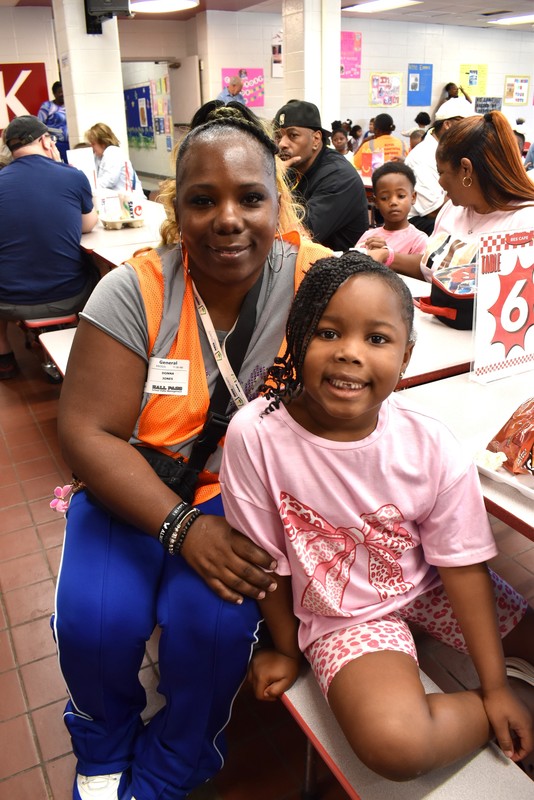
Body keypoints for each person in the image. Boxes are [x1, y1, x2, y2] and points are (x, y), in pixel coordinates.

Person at [54, 100, 331, 800]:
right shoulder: (136, 290)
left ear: (278, 203)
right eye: (204, 201)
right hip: (133, 487)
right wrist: (181, 528)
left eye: (250, 197)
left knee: (210, 630)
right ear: (181, 209)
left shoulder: (311, 286)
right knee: (94, 621)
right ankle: (104, 740)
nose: (229, 219)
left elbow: (384, 323)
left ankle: (180, 757)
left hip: (234, 495)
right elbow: (87, 431)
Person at [220, 251, 534, 782]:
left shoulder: (427, 441)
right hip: (347, 617)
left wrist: (495, 680)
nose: (349, 354)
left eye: (377, 339)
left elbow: (461, 568)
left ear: (406, 356)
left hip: (432, 585)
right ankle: (502, 711)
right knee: (396, 746)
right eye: (327, 332)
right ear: (296, 339)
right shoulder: (256, 435)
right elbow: (265, 560)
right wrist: (285, 649)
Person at [0, 115, 97, 380]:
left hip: (6, 302)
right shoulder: (72, 176)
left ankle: (4, 355)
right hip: (67, 295)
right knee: (94, 270)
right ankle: (83, 347)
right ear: (45, 141)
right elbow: (87, 225)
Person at [420, 110, 534, 283]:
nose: (440, 182)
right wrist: (389, 257)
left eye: (441, 172)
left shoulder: (524, 222)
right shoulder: (453, 208)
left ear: (466, 169)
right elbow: (431, 265)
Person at [274, 100, 368, 251]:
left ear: (316, 139)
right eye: (279, 136)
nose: (282, 144)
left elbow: (299, 234)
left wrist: (275, 179)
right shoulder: (292, 167)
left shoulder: (339, 176)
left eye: (293, 135)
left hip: (342, 269)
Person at [405, 96, 475, 237]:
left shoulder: (449, 150)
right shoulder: (423, 156)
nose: (470, 132)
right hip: (420, 223)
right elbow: (433, 211)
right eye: (465, 126)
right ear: (448, 125)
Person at [354, 162, 428, 277]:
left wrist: (386, 254)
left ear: (413, 197)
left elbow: (422, 274)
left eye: (401, 196)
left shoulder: (419, 240)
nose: (393, 202)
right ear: (376, 202)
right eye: (384, 198)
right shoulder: (368, 237)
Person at [85, 123, 144, 196]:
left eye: (93, 144)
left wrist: (87, 186)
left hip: (129, 200)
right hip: (118, 199)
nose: (91, 147)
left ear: (103, 142)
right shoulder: (98, 156)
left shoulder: (113, 152)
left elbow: (109, 180)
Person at [38, 80, 70, 162]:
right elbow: (40, 125)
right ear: (54, 94)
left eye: (63, 91)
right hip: (55, 143)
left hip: (70, 142)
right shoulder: (47, 106)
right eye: (59, 92)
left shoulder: (70, 104)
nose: (62, 94)